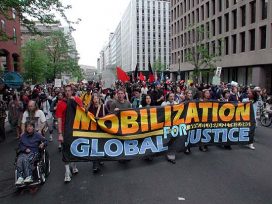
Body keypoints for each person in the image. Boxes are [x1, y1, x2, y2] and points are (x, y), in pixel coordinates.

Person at [56, 85, 83, 183]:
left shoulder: (77, 100)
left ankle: (74, 165)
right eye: (66, 91)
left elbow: (83, 113)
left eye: (69, 91)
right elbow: (59, 119)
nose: (67, 92)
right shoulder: (61, 104)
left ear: (72, 91)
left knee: (75, 148)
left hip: (75, 129)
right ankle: (67, 171)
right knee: (66, 150)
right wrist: (60, 133)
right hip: (65, 130)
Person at [87, 94, 108, 173]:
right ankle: (95, 164)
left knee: (101, 145)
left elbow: (109, 116)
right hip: (93, 131)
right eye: (94, 99)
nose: (95, 100)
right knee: (94, 146)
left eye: (97, 99)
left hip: (101, 130)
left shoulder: (103, 107)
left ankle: (100, 159)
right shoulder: (90, 108)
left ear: (99, 99)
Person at [161, 93, 178, 164]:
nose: (172, 97)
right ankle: (166, 151)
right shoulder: (163, 104)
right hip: (166, 124)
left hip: (174, 124)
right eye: (170, 96)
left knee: (173, 138)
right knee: (167, 138)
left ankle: (171, 154)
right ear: (167, 98)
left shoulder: (176, 103)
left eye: (173, 96)